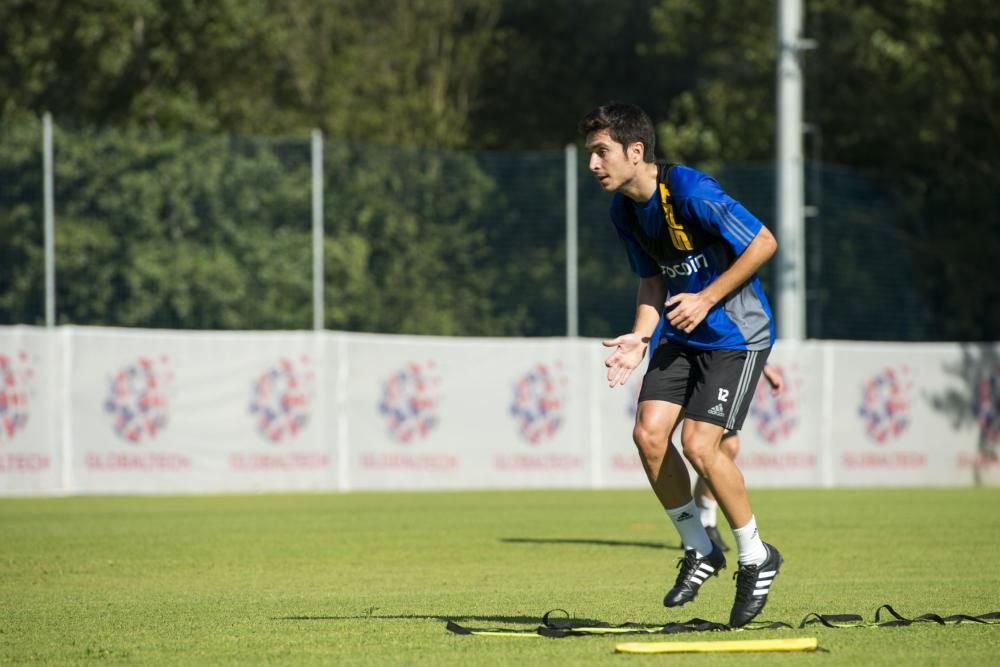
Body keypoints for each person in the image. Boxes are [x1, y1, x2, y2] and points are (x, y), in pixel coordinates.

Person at [580, 102, 782, 627]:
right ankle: (701, 549)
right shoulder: (623, 211)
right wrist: (640, 336)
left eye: (602, 152)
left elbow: (764, 242)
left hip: (736, 336)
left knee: (700, 444)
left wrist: (706, 299)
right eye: (591, 155)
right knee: (648, 437)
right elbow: (652, 280)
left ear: (636, 151)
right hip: (679, 333)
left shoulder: (691, 191)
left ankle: (757, 556)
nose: (594, 165)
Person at [690, 365, 785, 553]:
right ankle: (695, 527)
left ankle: (705, 521)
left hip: (714, 365)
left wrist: (764, 366)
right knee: (698, 447)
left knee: (727, 446)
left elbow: (741, 335)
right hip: (683, 363)